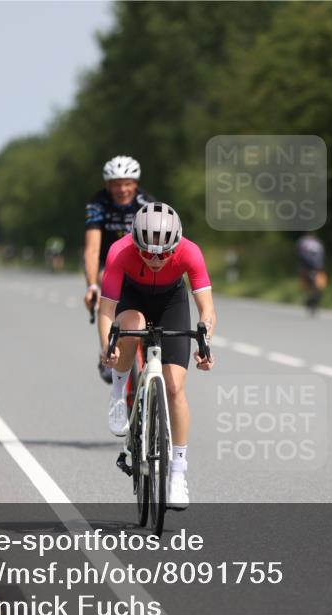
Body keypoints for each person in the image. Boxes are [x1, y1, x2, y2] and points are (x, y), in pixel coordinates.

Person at [98, 202, 215, 510]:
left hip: (171, 302)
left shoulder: (191, 252)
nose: (154, 259)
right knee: (132, 324)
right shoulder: (120, 252)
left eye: (163, 254)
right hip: (132, 298)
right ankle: (118, 391)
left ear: (175, 246)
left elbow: (207, 310)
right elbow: (106, 311)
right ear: (134, 242)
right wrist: (107, 348)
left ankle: (178, 473)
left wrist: (205, 343)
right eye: (146, 252)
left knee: (175, 387)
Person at [83, 155, 155, 383]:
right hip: (109, 261)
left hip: (140, 261)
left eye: (127, 183)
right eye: (116, 184)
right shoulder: (97, 204)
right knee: (106, 285)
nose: (122, 189)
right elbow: (92, 249)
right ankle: (108, 349)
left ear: (135, 183)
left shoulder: (146, 202)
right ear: (107, 185)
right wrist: (92, 285)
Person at [296, 233, 327, 315]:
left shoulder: (303, 242)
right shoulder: (317, 243)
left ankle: (310, 302)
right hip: (315, 267)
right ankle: (310, 301)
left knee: (316, 287)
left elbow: (300, 254)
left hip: (313, 268)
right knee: (316, 287)